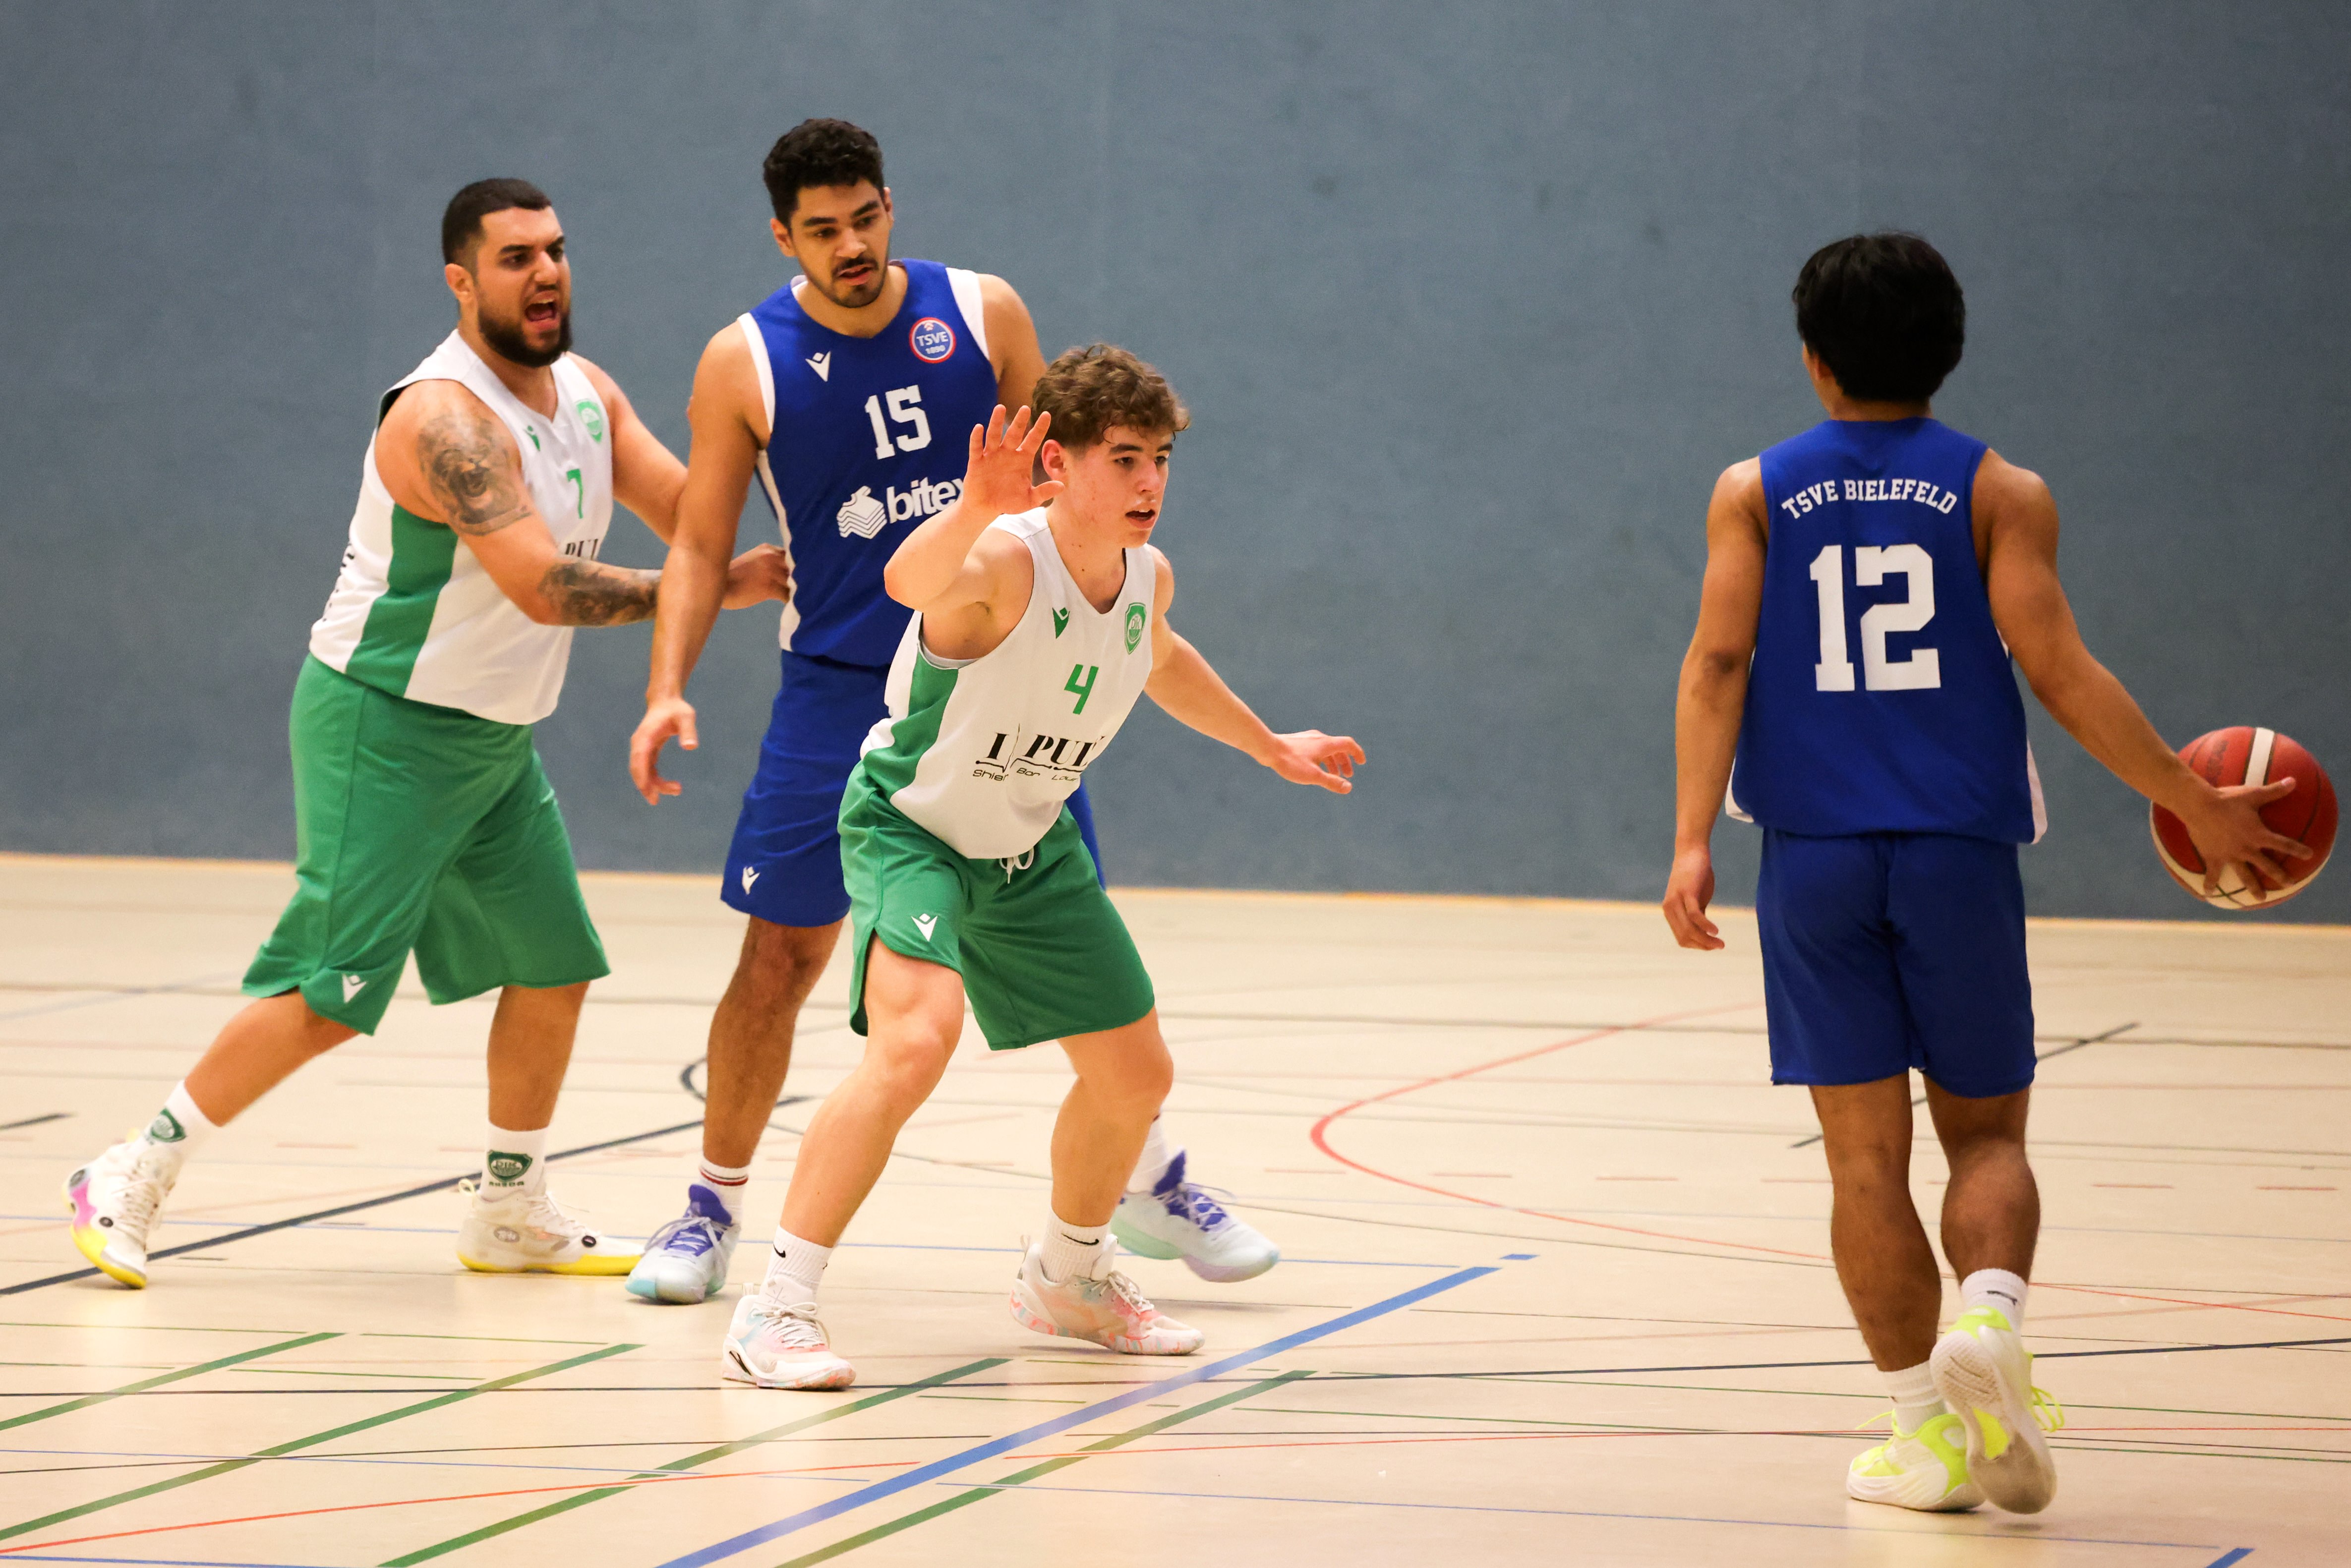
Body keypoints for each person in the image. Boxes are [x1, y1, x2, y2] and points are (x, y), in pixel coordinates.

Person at [1662, 232, 2308, 1513]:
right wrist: (2186, 798)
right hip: (1955, 851)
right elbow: (2059, 670)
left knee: (1862, 1158)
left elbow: (1716, 662)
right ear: (1948, 350)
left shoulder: (1752, 491)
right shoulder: (2000, 490)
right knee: (1988, 1133)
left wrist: (1689, 837)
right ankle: (1993, 1323)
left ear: (1813, 359)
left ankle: (1924, 1432)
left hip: (1813, 858)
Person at [63, 179, 789, 1290]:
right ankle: (130, 1168)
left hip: (494, 739)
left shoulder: (586, 393)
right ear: (461, 281)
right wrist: (708, 589)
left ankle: (508, 1207)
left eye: (555, 251)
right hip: (385, 723)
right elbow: (543, 587)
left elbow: (696, 510)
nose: (545, 274)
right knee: (329, 994)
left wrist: (819, 513)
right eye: (515, 258)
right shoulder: (444, 421)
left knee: (552, 967)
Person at [625, 120, 1276, 1307]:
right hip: (840, 682)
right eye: (822, 230)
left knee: (1078, 941)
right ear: (783, 238)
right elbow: (701, 543)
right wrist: (668, 684)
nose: (851, 244)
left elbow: (1078, 469)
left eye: (865, 217)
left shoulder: (981, 313)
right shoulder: (745, 360)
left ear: (890, 206)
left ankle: (1144, 1177)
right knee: (781, 954)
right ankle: (711, 1205)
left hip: (1003, 671)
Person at [719, 347, 1363, 1388]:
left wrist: (1267, 745)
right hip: (914, 829)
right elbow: (907, 581)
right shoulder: (999, 564)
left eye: (1160, 459)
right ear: (1058, 466)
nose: (1150, 482)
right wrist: (975, 503)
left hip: (1028, 842)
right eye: (1124, 458)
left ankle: (1070, 1277)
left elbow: (1161, 658)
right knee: (914, 1044)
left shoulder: (1146, 576)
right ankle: (775, 1307)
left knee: (1135, 1075)